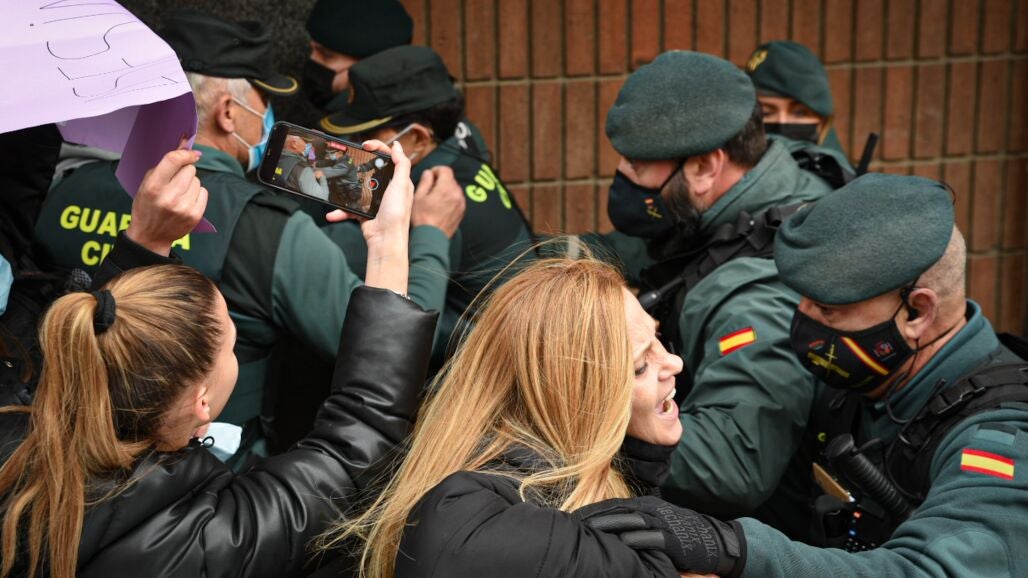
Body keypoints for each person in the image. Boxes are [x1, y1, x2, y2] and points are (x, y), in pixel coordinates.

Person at [31, 11, 465, 464]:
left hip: (69, 453)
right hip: (217, 474)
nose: (269, 117)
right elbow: (392, 357)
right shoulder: (266, 226)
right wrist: (428, 237)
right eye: (265, 100)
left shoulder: (62, 190)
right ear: (228, 112)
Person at [0, 138, 440, 578]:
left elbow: (111, 331)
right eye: (231, 343)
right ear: (201, 403)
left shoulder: (19, 438)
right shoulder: (195, 544)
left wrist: (145, 243)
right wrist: (388, 242)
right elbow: (356, 444)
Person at [579, 174, 1028, 577]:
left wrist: (735, 548)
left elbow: (926, 570)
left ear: (917, 311)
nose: (805, 319)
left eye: (828, 309)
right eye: (803, 299)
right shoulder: (863, 379)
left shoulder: (999, 439)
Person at [318, 253, 747, 577]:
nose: (674, 363)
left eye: (658, 337)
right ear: (576, 396)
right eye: (639, 366)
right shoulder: (494, 515)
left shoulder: (603, 472)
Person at [591, 50, 832, 518]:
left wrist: (573, 420)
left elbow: (731, 463)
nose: (623, 175)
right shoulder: (734, 195)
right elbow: (634, 253)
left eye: (636, 165)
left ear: (704, 167)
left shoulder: (760, 293)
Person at [322, 45, 535, 363]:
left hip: (482, 362)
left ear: (419, 138)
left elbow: (407, 331)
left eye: (365, 135)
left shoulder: (425, 201)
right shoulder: (462, 142)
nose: (355, 146)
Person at [745, 40, 855, 186]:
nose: (782, 122)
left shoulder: (848, 183)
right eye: (765, 113)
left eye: (800, 113)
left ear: (822, 121)